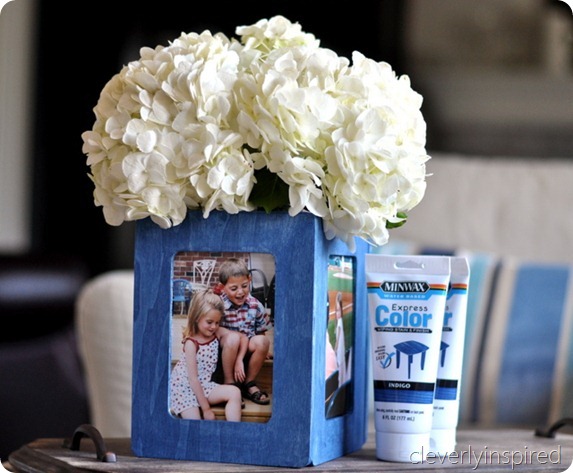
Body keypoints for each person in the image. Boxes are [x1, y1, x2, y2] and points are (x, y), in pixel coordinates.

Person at [170, 289, 242, 421]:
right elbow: (193, 379)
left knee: (235, 392)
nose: (214, 326)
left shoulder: (216, 333)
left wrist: (239, 360)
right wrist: (206, 409)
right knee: (194, 419)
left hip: (204, 385)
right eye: (209, 322)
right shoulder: (191, 343)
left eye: (217, 322)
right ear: (197, 318)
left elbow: (242, 338)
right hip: (184, 388)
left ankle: (234, 429)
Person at [216, 258, 272, 405]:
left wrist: (264, 351)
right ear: (222, 287)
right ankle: (229, 383)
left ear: (250, 280)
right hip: (227, 350)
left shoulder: (255, 305)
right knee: (233, 338)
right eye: (234, 288)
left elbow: (260, 332)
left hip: (247, 347)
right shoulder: (218, 306)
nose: (240, 292)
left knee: (263, 341)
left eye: (245, 286)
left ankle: (249, 383)